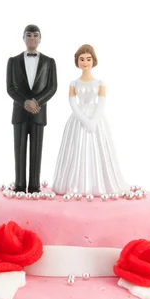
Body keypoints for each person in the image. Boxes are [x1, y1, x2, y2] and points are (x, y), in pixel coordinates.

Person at [51, 44, 128, 196]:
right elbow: (73, 103)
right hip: (78, 119)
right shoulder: (74, 83)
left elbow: (102, 102)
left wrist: (93, 120)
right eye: (82, 59)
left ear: (93, 61)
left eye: (88, 59)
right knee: (76, 149)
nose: (85, 62)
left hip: (96, 119)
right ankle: (74, 184)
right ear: (77, 61)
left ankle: (99, 184)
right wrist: (85, 121)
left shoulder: (100, 83)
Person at [6, 24, 58, 193]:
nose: (32, 39)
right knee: (19, 150)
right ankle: (19, 186)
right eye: (29, 35)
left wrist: (36, 102)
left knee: (36, 151)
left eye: (36, 35)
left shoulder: (49, 62)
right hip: (20, 113)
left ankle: (35, 187)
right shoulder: (13, 61)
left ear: (40, 39)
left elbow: (52, 87)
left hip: (38, 113)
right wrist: (25, 102)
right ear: (23, 38)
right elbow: (10, 88)